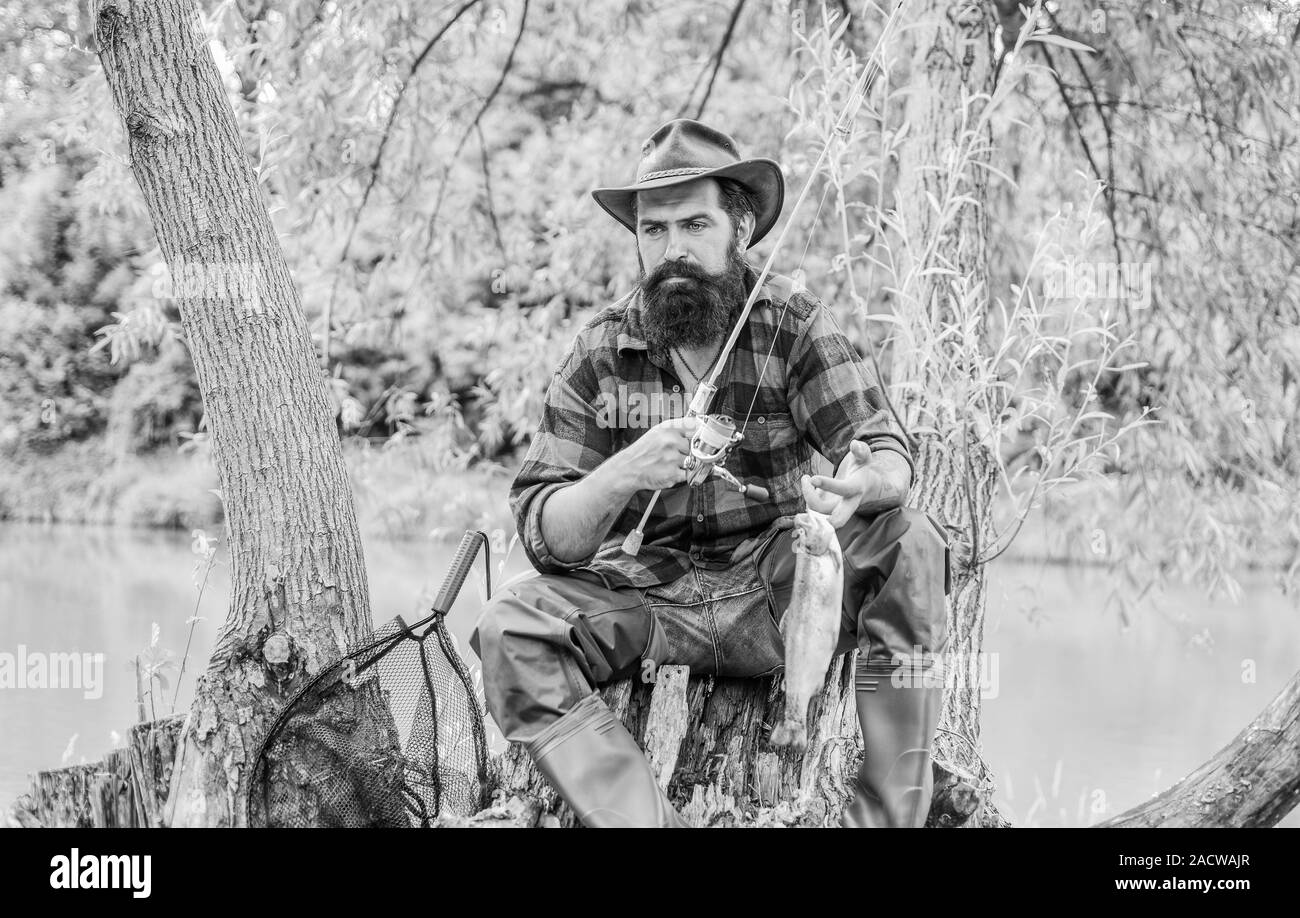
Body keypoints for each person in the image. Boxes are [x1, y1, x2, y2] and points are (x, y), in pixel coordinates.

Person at [470, 118, 951, 828]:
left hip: (778, 594)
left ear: (741, 228)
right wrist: (625, 471)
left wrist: (861, 485)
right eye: (654, 230)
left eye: (695, 225)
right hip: (647, 606)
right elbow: (547, 536)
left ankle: (884, 821)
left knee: (912, 542)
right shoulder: (603, 350)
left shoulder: (791, 324)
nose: (674, 251)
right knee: (509, 627)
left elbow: (885, 452)